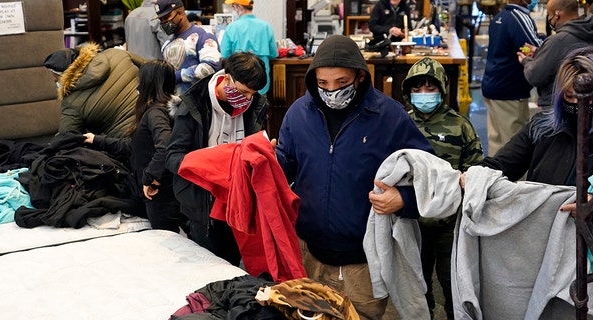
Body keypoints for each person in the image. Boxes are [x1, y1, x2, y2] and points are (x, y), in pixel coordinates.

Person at [273, 35, 434, 320]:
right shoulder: (299, 113)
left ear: (359, 76)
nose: (332, 91)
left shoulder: (389, 117)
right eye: (323, 84)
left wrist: (404, 199)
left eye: (341, 83)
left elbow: (431, 176)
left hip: (364, 265)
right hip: (309, 256)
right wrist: (264, 161)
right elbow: (284, 164)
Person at [165, 52, 268, 266]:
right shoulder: (194, 104)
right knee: (209, 264)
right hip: (203, 204)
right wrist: (208, 163)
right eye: (243, 92)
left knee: (235, 262)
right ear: (227, 78)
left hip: (239, 201)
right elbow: (173, 156)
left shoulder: (255, 105)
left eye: (253, 93)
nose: (248, 99)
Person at [401, 57, 484, 319]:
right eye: (417, 89)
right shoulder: (402, 123)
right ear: (408, 92)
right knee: (416, 283)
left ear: (442, 89)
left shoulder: (460, 125)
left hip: (451, 222)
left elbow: (476, 169)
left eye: (430, 88)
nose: (424, 94)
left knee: (454, 283)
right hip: (414, 221)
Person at [82, 60, 185, 232]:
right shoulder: (165, 110)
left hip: (159, 193)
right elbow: (137, 147)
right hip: (162, 189)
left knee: (167, 235)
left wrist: (150, 178)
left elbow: (165, 147)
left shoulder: (155, 113)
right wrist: (97, 140)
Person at [472, 46, 593, 190]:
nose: (576, 104)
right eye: (569, 96)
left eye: (587, 98)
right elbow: (502, 164)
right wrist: (475, 176)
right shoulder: (542, 127)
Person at [43, 42, 145, 139]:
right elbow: (153, 67)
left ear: (64, 77)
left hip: (126, 141)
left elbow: (67, 135)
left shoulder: (71, 102)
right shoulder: (116, 54)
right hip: (155, 122)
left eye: (56, 79)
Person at [481, 0, 542, 156]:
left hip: (492, 87)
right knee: (516, 148)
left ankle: (495, 179)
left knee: (497, 144)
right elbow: (538, 49)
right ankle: (515, 181)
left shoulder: (499, 17)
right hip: (510, 92)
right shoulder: (519, 17)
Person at [517, 0, 593, 110]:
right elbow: (566, 52)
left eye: (549, 14)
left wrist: (526, 61)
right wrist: (540, 52)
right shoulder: (587, 32)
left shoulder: (557, 41)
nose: (549, 18)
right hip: (585, 107)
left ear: (557, 14)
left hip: (558, 110)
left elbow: (535, 76)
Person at [155, 0, 222, 95]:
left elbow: (211, 67)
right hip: (174, 104)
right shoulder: (166, 45)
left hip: (199, 102)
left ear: (180, 13)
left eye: (166, 17)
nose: (164, 22)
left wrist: (175, 76)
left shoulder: (203, 35)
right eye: (161, 20)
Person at [220, 0, 278, 95]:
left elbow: (225, 54)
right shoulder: (266, 26)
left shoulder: (232, 27)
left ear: (240, 7)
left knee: (240, 106)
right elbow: (274, 54)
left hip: (239, 81)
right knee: (260, 107)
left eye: (234, 6)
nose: (234, 9)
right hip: (260, 80)